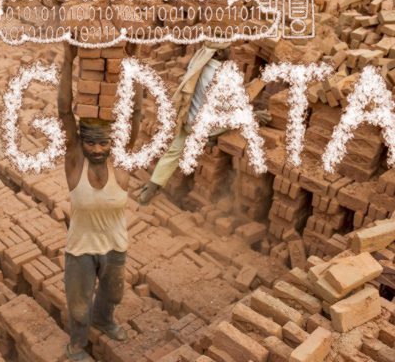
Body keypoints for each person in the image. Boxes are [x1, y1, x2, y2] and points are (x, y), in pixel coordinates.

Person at [58, 42, 142, 361]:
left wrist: (132, 63)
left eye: (102, 143)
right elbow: (64, 112)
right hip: (81, 248)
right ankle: (77, 344)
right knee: (79, 306)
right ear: (81, 141)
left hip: (114, 246)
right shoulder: (75, 161)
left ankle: (104, 320)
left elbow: (135, 114)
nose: (96, 149)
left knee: (113, 294)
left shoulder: (120, 162)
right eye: (90, 142)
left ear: (112, 141)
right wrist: (69, 59)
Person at [137, 42, 271, 205]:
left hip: (189, 120)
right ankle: (209, 138)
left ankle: (150, 188)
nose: (231, 51)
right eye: (228, 49)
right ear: (218, 53)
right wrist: (253, 115)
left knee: (173, 152)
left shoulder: (199, 62)